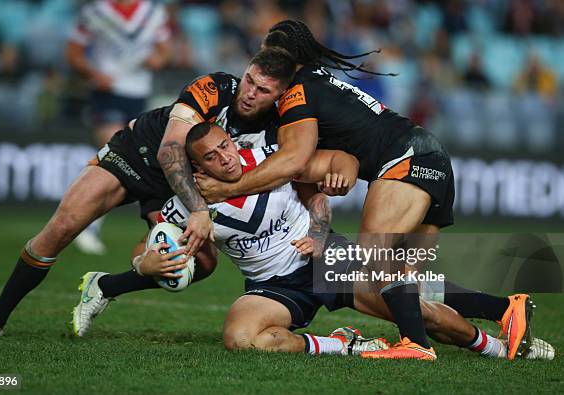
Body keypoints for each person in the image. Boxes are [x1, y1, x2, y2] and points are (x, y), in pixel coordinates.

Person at [193, 20, 533, 360]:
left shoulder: (297, 91)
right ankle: (504, 309)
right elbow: (313, 162)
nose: (265, 56)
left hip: (405, 159)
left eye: (270, 49)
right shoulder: (318, 81)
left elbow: (293, 160)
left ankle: (416, 345)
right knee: (409, 285)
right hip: (429, 157)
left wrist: (226, 189)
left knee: (376, 260)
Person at [74, 123, 555, 360]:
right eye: (214, 155)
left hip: (324, 256)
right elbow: (148, 247)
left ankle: (499, 343)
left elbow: (337, 163)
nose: (228, 156)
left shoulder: (268, 154)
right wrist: (146, 267)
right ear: (196, 169)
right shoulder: (187, 207)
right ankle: (339, 344)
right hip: (272, 286)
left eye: (227, 143)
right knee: (240, 338)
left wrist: (321, 227)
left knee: (420, 307)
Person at [0, 47, 296, 340]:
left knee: (198, 263)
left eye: (263, 90)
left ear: (279, 95)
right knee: (64, 225)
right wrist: (199, 210)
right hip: (139, 154)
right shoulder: (215, 86)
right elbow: (168, 152)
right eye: (250, 80)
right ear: (245, 71)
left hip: (176, 183)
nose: (250, 93)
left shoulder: (275, 126)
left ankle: (105, 286)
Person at [66, 0, 172, 254]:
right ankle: (86, 223)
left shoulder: (153, 13)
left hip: (138, 93)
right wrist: (94, 74)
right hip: (108, 91)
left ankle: (157, 226)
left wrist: (158, 59)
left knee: (136, 159)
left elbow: (165, 51)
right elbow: (73, 52)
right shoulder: (96, 12)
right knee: (111, 149)